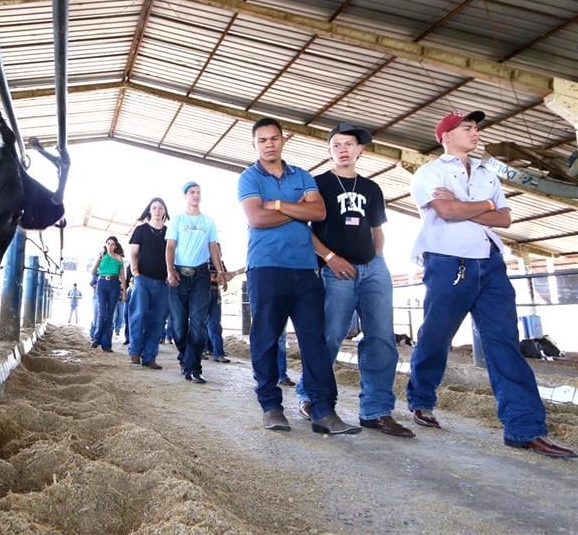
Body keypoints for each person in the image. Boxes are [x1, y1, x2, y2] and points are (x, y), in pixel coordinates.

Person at [406, 110, 575, 458]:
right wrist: (481, 207)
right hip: (449, 261)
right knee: (437, 336)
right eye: (467, 128)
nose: (475, 133)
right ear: (445, 136)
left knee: (504, 343)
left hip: (491, 262)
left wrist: (469, 204)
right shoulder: (429, 172)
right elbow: (447, 213)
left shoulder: (487, 175)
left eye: (476, 128)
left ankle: (524, 428)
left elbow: (505, 217)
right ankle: (421, 398)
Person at [238, 117, 359, 434]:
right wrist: (296, 209)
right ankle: (271, 407)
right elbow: (257, 218)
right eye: (262, 140)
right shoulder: (248, 178)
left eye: (274, 138)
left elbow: (318, 212)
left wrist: (278, 204)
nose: (269, 144)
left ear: (282, 140)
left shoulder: (302, 175)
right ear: (255, 144)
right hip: (266, 267)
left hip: (306, 270)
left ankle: (323, 411)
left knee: (314, 340)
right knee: (265, 339)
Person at [297, 122, 414, 438]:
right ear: (330, 150)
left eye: (349, 144)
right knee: (331, 334)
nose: (343, 149)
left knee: (381, 339)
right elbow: (302, 229)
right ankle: (311, 397)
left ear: (360, 149)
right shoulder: (316, 184)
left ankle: (376, 411)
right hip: (335, 271)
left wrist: (377, 260)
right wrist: (330, 258)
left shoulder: (372, 189)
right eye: (336, 144)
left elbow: (377, 229)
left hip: (373, 269)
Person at [166, 181, 231, 384]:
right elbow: (170, 246)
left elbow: (213, 247)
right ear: (185, 196)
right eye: (192, 192)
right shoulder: (177, 220)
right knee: (177, 327)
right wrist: (170, 270)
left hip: (201, 276)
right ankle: (186, 359)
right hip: (179, 275)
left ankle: (194, 368)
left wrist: (220, 270)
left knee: (198, 325)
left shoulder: (208, 222)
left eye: (198, 193)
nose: (196, 195)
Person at [128, 197, 171, 369]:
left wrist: (170, 274)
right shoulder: (140, 230)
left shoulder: (170, 232)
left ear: (164, 212)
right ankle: (135, 352)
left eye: (161, 208)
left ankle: (150, 356)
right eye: (154, 207)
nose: (158, 210)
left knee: (158, 320)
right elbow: (133, 254)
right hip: (142, 279)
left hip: (162, 282)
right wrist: (135, 272)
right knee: (138, 315)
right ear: (149, 211)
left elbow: (173, 255)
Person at [91, 236, 127, 352]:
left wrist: (124, 292)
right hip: (101, 283)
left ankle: (106, 344)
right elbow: (92, 271)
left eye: (112, 244)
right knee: (102, 313)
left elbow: (122, 276)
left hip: (114, 284)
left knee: (110, 314)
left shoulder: (119, 258)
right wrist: (99, 258)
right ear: (105, 245)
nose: (110, 246)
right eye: (108, 243)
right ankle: (97, 339)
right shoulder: (102, 256)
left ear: (116, 246)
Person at [205, 249, 231, 363]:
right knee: (200, 323)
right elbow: (209, 278)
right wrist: (218, 277)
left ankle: (218, 352)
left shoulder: (220, 263)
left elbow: (224, 278)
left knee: (215, 324)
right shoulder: (202, 260)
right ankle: (201, 350)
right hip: (203, 293)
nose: (219, 252)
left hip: (216, 292)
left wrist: (219, 277)